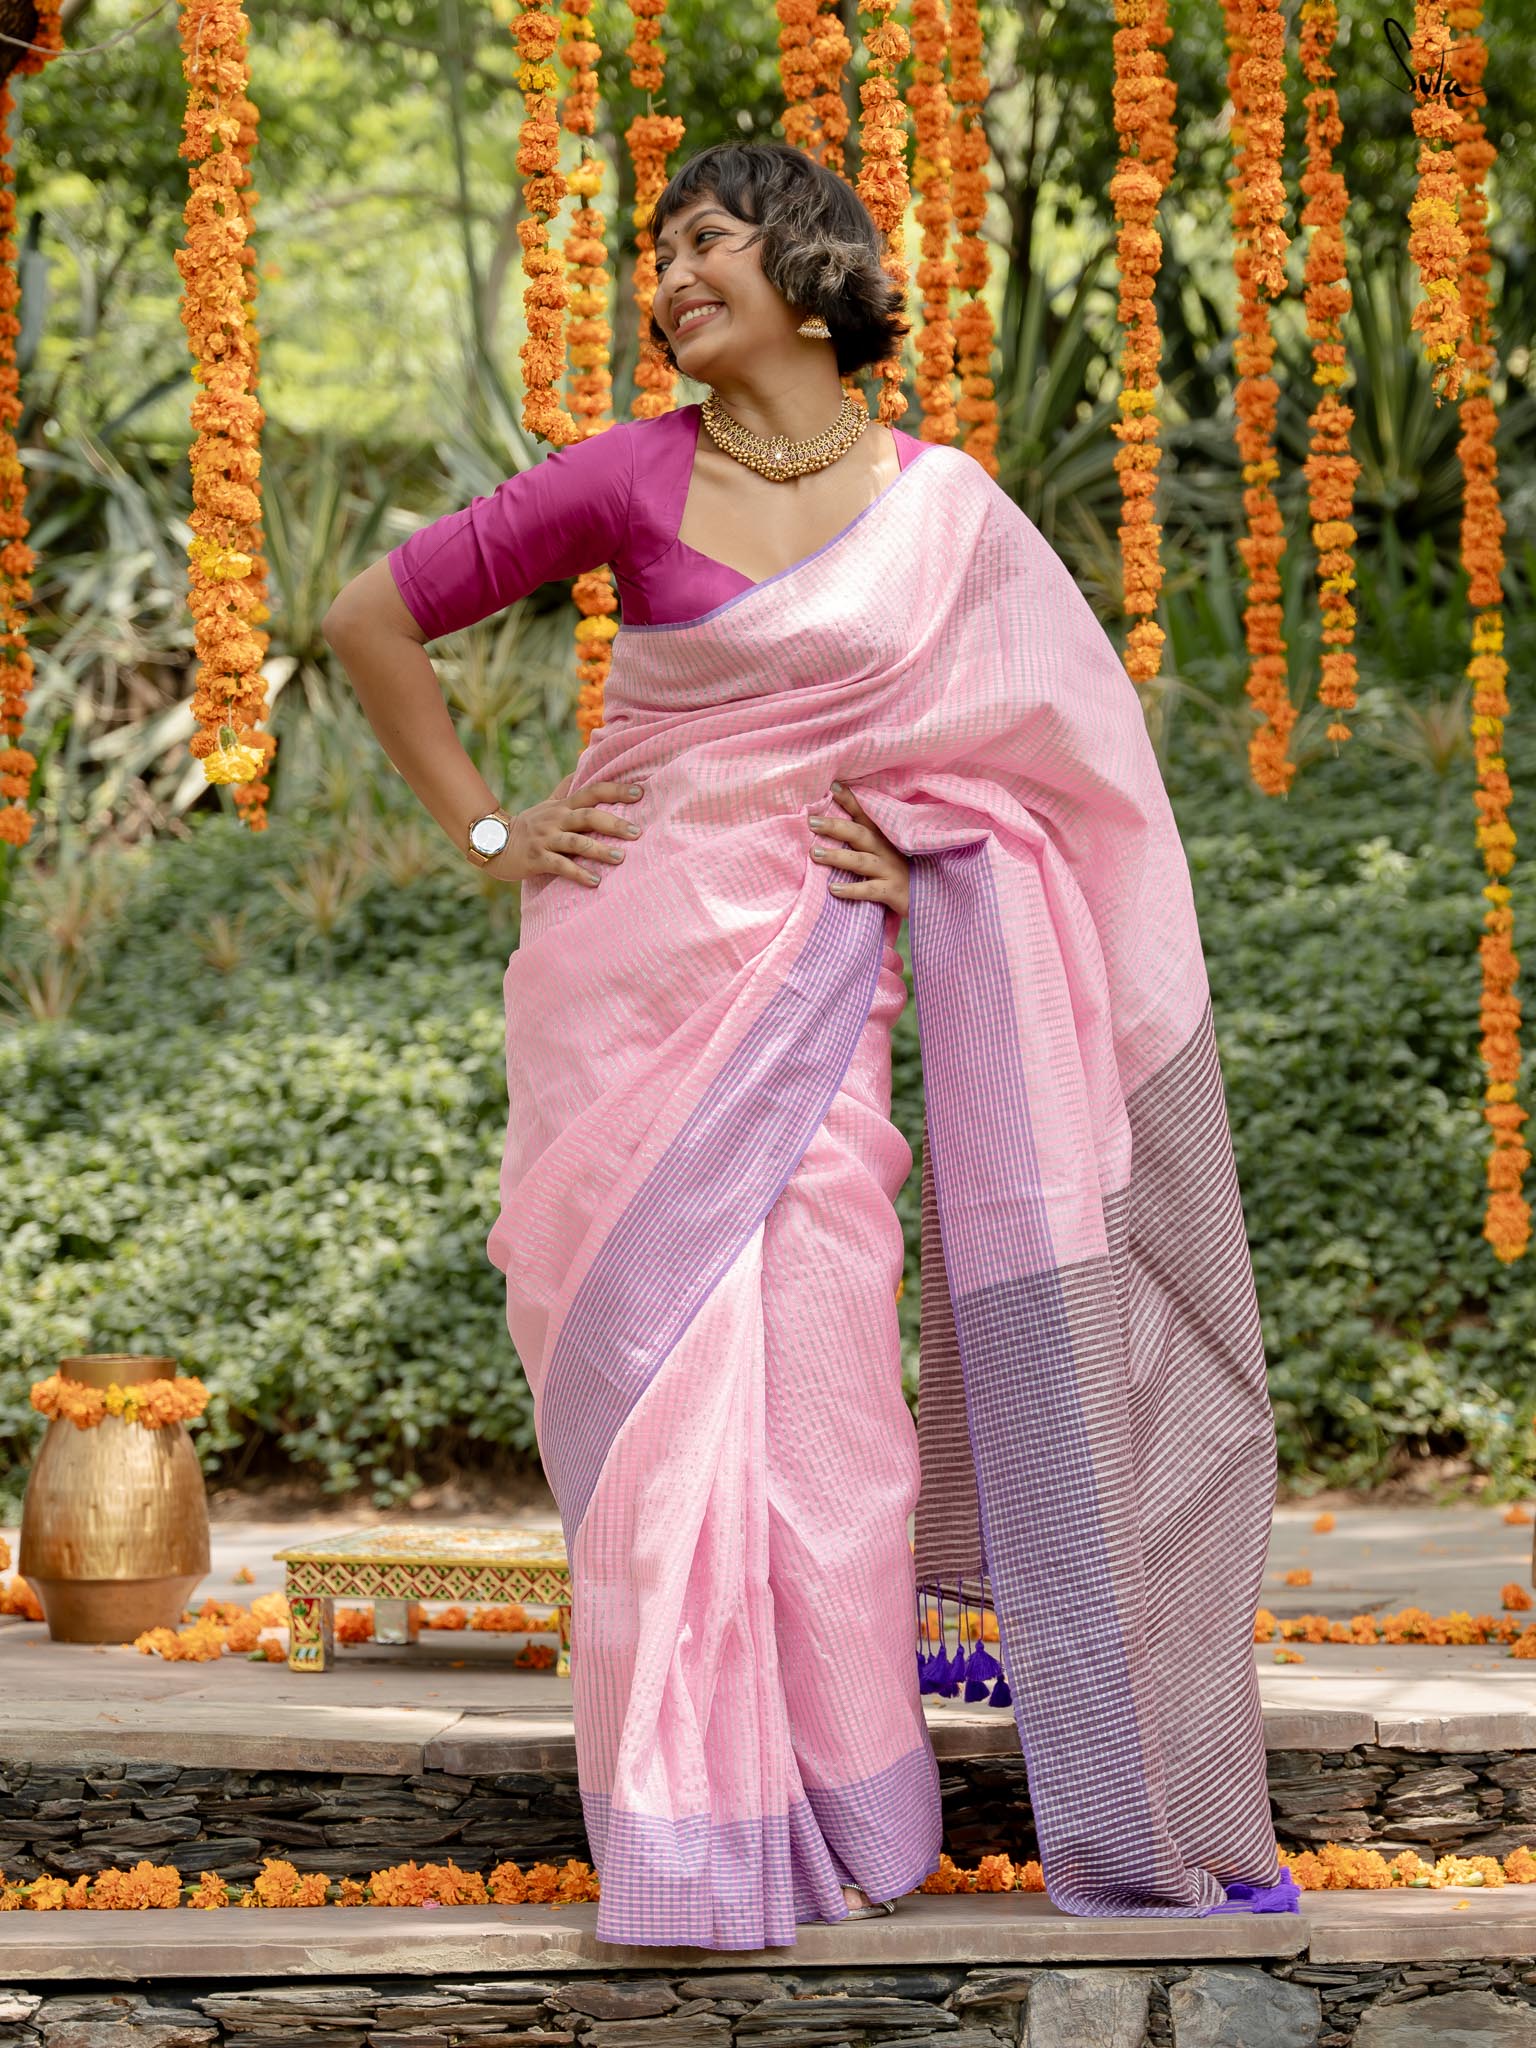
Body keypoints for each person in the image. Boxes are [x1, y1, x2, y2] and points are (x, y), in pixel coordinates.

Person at [322, 138, 1300, 1952]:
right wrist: (494, 832)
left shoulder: (949, 515)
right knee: (663, 1426)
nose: (671, 276)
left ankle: (848, 1813)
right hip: (627, 994)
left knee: (840, 1433)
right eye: (658, 252)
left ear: (806, 264)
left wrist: (935, 851)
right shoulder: (627, 474)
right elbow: (366, 616)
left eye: (707, 239)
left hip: (821, 1002)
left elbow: (1057, 772)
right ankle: (693, 1838)